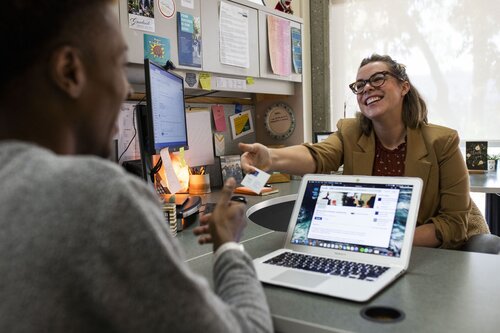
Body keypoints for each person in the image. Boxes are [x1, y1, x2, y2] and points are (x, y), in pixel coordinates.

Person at [0, 1, 272, 332]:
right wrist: (228, 244)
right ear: (69, 70)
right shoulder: (98, 197)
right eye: (116, 62)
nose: (127, 89)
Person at [240, 54, 489, 249]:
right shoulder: (351, 132)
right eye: (359, 85)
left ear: (404, 87)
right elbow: (318, 156)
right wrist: (270, 158)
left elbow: (454, 225)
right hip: (370, 250)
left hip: (432, 254)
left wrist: (387, 243)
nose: (367, 88)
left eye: (378, 79)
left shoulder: (442, 142)